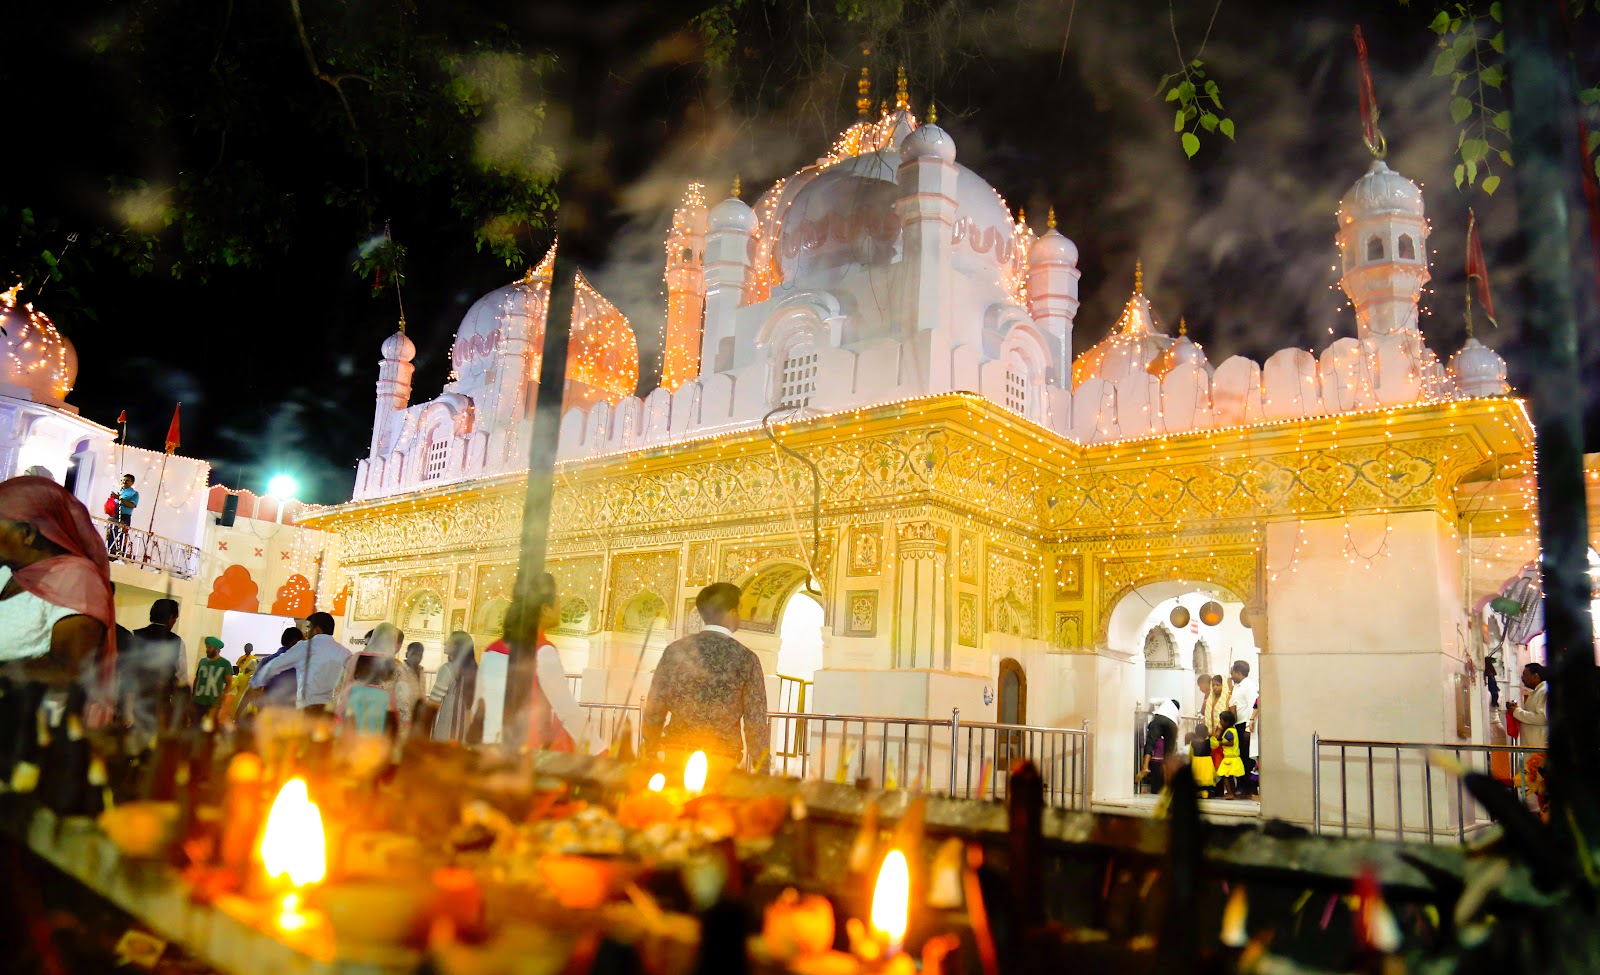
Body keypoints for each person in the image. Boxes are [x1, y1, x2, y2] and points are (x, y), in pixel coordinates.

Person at [0, 476, 116, 696]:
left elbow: (70, 669)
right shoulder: (7, 572)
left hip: (36, 723)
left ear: (27, 533)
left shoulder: (78, 578)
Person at [643, 583, 770, 772]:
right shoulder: (746, 658)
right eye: (740, 609)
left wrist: (650, 750)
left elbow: (655, 705)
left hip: (676, 756)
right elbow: (755, 721)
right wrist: (762, 768)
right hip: (721, 761)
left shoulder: (676, 651)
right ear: (732, 612)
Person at [523, 572, 599, 753]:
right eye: (556, 603)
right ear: (544, 608)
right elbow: (566, 709)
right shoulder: (543, 650)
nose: (560, 609)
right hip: (533, 748)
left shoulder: (511, 646)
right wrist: (598, 750)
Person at [118, 598, 187, 751]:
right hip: (161, 705)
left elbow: (126, 675)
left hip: (136, 703)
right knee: (155, 748)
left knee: (133, 746)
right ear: (171, 617)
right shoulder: (177, 642)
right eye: (175, 618)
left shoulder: (135, 635)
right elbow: (181, 679)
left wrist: (126, 709)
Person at [248, 611, 350, 714]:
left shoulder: (305, 647)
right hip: (331, 712)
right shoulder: (345, 652)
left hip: (307, 710)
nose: (306, 632)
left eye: (308, 627)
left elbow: (275, 665)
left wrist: (256, 682)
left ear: (317, 630)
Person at [333, 622, 419, 740]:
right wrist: (404, 727)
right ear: (393, 642)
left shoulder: (354, 660)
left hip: (353, 721)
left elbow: (338, 691)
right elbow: (403, 701)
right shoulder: (396, 667)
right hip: (380, 725)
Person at [472, 608, 517, 743]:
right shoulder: (522, 654)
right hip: (501, 724)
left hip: (492, 724)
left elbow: (479, 691)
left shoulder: (491, 650)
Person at [428, 631, 477, 741]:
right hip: (465, 733)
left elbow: (433, 703)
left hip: (446, 732)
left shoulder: (447, 669)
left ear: (455, 646)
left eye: (448, 642)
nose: (445, 644)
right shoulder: (474, 671)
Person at [1228, 660, 1258, 793]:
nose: (1231, 675)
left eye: (1233, 672)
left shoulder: (1248, 686)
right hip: (1237, 725)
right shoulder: (1237, 686)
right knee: (1240, 757)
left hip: (1245, 726)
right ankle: (1242, 785)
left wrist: (1247, 728)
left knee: (1247, 758)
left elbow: (1253, 706)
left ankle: (1249, 787)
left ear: (1239, 673)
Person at [1141, 698, 1181, 791]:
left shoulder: (1166, 700)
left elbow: (1151, 700)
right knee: (1168, 754)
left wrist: (1151, 711)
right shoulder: (1177, 714)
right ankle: (1168, 783)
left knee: (1150, 743)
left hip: (1159, 719)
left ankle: (1145, 767)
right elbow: (1177, 729)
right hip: (1173, 724)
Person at [191, 636, 233, 725]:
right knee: (194, 724)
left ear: (217, 649)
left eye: (209, 648)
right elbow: (197, 678)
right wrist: (193, 694)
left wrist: (223, 695)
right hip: (198, 700)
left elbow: (229, 682)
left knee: (211, 726)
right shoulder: (202, 661)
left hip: (213, 702)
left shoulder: (225, 664)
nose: (207, 650)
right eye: (207, 647)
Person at [1510, 662, 1547, 749]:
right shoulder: (1537, 691)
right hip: (1533, 746)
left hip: (1540, 747)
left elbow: (1542, 718)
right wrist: (1516, 710)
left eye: (1525, 674)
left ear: (1535, 677)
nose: (1522, 678)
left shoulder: (1544, 691)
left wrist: (1516, 712)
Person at [1215, 709, 1247, 798]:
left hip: (1229, 758)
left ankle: (1230, 793)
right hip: (1233, 757)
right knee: (1229, 777)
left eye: (1221, 720)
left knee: (1224, 775)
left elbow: (1230, 743)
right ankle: (1232, 792)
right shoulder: (1232, 730)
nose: (1220, 722)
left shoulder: (1229, 731)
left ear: (1226, 721)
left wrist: (1219, 743)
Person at [105, 474, 138, 559]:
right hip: (113, 516)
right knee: (110, 536)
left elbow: (132, 505)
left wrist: (120, 498)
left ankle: (117, 557)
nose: (124, 482)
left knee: (120, 537)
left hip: (123, 518)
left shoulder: (134, 493)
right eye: (123, 480)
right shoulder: (119, 491)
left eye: (127, 480)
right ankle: (108, 555)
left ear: (132, 483)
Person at [1188, 723, 1217, 798]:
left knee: (1197, 778)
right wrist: (1212, 736)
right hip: (1206, 762)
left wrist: (1191, 761)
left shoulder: (1192, 742)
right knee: (1206, 778)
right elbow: (1216, 744)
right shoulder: (1209, 742)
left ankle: (1198, 793)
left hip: (1196, 762)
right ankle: (1205, 793)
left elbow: (1190, 753)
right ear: (1206, 733)